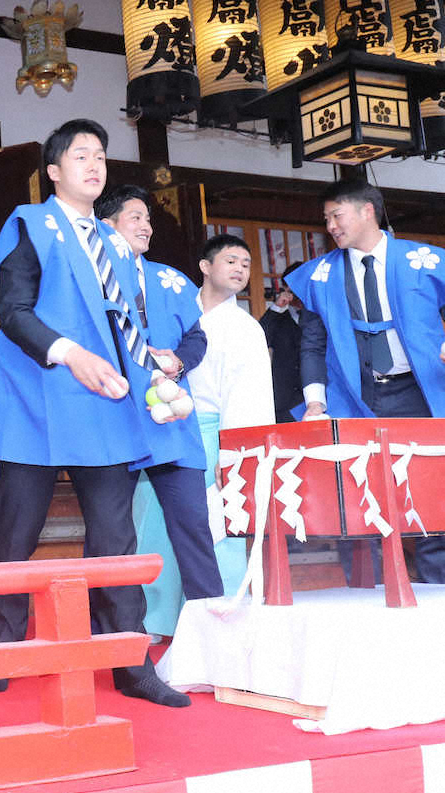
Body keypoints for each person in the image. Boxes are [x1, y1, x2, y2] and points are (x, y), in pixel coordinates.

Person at [0, 119, 217, 708]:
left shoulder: (115, 244)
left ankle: (130, 664)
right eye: (80, 155)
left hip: (105, 403)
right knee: (16, 536)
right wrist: (69, 352)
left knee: (116, 541)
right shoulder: (31, 224)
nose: (93, 163)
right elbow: (14, 309)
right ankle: (3, 651)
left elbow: (127, 322)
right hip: (40, 398)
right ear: (53, 171)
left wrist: (155, 373)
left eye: (100, 155)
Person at [287, 179, 445, 584]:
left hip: (420, 392)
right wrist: (315, 401)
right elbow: (312, 344)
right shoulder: (319, 275)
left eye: (336, 216)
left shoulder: (423, 259)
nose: (331, 227)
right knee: (355, 500)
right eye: (326, 219)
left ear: (367, 212)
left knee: (430, 496)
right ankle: (365, 595)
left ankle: (438, 598)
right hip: (354, 395)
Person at [95, 186, 225, 638]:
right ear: (105, 225)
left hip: (172, 417)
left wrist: (178, 360)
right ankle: (116, 630)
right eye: (134, 217)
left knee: (192, 524)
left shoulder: (170, 278)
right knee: (114, 534)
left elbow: (197, 337)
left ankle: (211, 629)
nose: (146, 225)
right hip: (114, 413)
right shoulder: (88, 278)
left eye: (148, 217)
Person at [184, 234, 275, 607]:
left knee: (216, 520)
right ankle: (154, 617)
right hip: (167, 425)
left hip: (213, 432)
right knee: (154, 521)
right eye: (231, 261)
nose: (240, 269)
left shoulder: (245, 327)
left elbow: (247, 396)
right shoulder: (177, 311)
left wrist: (233, 451)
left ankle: (218, 605)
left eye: (246, 264)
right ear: (205, 267)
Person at [259, 279, 304, 423]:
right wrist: (277, 308)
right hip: (284, 399)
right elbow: (259, 340)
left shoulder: (320, 315)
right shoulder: (278, 317)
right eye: (292, 290)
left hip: (315, 396)